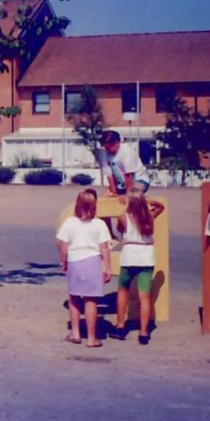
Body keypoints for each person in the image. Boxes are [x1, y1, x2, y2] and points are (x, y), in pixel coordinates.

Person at [56, 189, 112, 348]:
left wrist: (63, 263)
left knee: (74, 298)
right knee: (91, 299)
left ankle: (75, 333)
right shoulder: (99, 224)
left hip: (75, 262)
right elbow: (104, 247)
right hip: (93, 262)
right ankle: (92, 337)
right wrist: (107, 268)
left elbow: (63, 245)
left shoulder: (70, 223)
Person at [112, 188, 165, 344]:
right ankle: (143, 332)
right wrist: (148, 200)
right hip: (146, 257)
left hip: (129, 256)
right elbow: (161, 207)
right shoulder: (149, 216)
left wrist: (125, 204)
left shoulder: (123, 217)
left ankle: (121, 326)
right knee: (145, 297)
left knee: (123, 291)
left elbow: (120, 230)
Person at [100, 130, 149, 196]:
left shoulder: (127, 151)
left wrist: (128, 195)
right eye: (105, 148)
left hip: (139, 180)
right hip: (121, 184)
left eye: (108, 147)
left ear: (117, 143)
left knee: (133, 195)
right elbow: (110, 176)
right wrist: (114, 193)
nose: (107, 150)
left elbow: (129, 175)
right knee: (105, 198)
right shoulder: (105, 154)